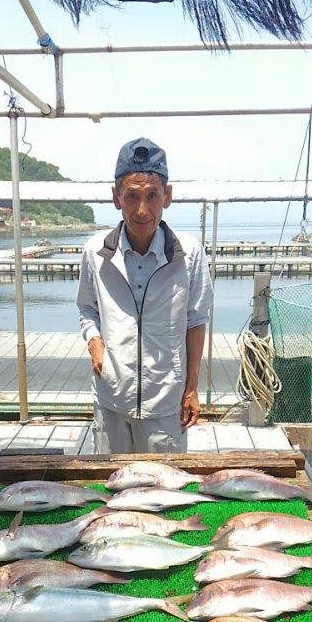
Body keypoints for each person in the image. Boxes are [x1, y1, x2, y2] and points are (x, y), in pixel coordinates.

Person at [77, 137, 213, 454]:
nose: (141, 209)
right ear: (115, 198)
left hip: (165, 401)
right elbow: (87, 308)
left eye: (152, 196)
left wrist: (191, 388)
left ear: (168, 196)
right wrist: (95, 341)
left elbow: (196, 321)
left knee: (163, 491)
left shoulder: (189, 254)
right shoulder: (95, 253)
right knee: (112, 488)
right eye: (131, 196)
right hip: (111, 396)